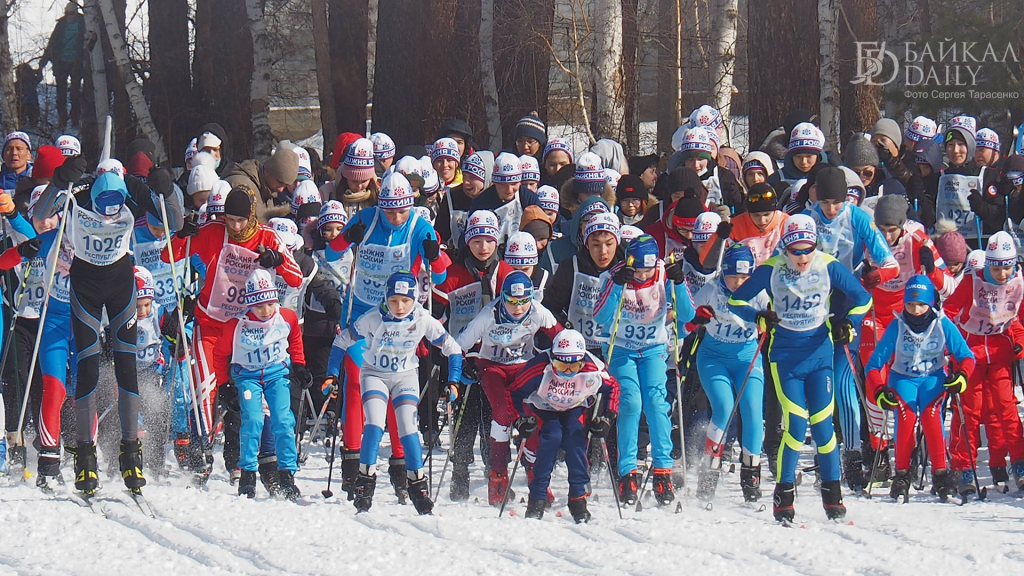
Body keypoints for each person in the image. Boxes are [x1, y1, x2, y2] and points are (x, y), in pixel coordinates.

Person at [35, 157, 182, 496]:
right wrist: (58, 181)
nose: (108, 214)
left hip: (120, 286)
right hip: (85, 288)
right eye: (102, 207)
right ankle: (85, 457)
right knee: (87, 368)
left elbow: (174, 221)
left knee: (126, 369)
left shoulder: (132, 188)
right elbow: (42, 215)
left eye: (114, 208)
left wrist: (167, 190)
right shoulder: (81, 191)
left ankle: (130, 454)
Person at [728, 214, 871, 521]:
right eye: (796, 251)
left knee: (823, 426)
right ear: (785, 247)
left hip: (820, 355)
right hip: (786, 358)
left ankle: (832, 494)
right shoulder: (772, 268)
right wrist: (758, 317)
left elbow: (863, 298)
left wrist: (849, 322)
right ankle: (784, 494)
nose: (803, 257)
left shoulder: (827, 265)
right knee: (795, 426)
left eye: (808, 249)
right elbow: (735, 301)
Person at [164, 184, 303, 484]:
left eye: (241, 220)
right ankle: (202, 450)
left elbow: (296, 277)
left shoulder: (267, 236)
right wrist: (182, 234)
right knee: (205, 389)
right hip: (211, 323)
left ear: (251, 216)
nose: (236, 227)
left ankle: (254, 459)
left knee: (247, 398)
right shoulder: (213, 231)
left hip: (247, 331)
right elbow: (168, 256)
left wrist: (277, 260)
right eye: (230, 220)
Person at [323, 172, 449, 498]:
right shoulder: (367, 218)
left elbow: (441, 275)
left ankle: (400, 463)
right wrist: (347, 237)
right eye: (389, 211)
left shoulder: (419, 225)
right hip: (362, 313)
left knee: (395, 388)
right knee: (356, 380)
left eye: (401, 211)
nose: (395, 218)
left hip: (398, 322)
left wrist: (434, 254)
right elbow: (332, 254)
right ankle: (352, 462)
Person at [329, 270, 463, 513]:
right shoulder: (373, 318)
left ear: (415, 299)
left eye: (405, 301)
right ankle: (365, 483)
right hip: (375, 375)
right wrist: (331, 373)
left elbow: (452, 348)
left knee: (408, 429)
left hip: (405, 376)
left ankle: (418, 487)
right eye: (393, 300)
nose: (399, 307)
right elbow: (341, 341)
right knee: (374, 425)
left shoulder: (422, 318)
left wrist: (453, 381)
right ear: (385, 298)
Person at [594, 235, 694, 506]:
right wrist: (617, 285)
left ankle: (662, 469)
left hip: (652, 348)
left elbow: (688, 316)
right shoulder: (614, 275)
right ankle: (628, 471)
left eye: (647, 271)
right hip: (621, 349)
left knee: (656, 402)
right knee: (630, 402)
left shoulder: (663, 273)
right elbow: (600, 316)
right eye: (638, 270)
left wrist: (679, 282)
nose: (642, 275)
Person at [456, 271, 562, 505]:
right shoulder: (489, 314)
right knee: (502, 413)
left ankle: (536, 474)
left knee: (533, 415)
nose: (518, 308)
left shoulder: (537, 311)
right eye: (512, 302)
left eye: (523, 301)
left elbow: (563, 339)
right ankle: (498, 475)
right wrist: (463, 366)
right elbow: (458, 346)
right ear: (502, 298)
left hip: (523, 367)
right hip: (492, 367)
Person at [865, 275, 975, 501]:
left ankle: (941, 474)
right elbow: (873, 365)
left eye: (921, 304)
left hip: (932, 377)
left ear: (931, 303)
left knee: (931, 415)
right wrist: (879, 390)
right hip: (902, 378)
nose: (915, 310)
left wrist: (962, 376)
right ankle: (902, 475)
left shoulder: (942, 323)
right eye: (910, 304)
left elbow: (967, 356)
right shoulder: (897, 325)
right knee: (905, 417)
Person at [213, 269, 309, 500]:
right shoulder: (236, 325)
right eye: (259, 307)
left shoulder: (286, 317)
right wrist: (224, 385)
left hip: (277, 375)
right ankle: (247, 473)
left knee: (283, 420)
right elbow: (219, 354)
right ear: (249, 305)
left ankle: (286, 473)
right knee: (254, 420)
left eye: (270, 304)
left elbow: (295, 337)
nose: (266, 311)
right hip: (248, 377)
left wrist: (299, 365)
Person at [942, 231, 1024, 497]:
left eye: (1007, 268)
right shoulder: (972, 281)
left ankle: (1019, 462)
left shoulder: (1018, 281)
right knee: (970, 410)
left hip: (1000, 354)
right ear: (988, 264)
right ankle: (963, 466)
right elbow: (948, 313)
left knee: (1007, 409)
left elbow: (1019, 319)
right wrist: (950, 346)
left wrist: (1019, 342)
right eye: (996, 268)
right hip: (971, 354)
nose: (1002, 274)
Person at [508, 328, 620, 522]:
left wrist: (608, 417)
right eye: (561, 365)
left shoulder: (592, 369)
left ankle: (578, 499)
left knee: (575, 441)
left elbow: (613, 387)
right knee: (552, 439)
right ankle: (537, 498)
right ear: (552, 359)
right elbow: (514, 392)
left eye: (574, 366)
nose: (567, 371)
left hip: (575, 406)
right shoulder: (539, 367)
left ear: (582, 361)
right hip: (544, 407)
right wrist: (520, 420)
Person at [689, 244, 768, 502]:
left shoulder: (759, 293)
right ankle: (710, 471)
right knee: (723, 408)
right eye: (733, 276)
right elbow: (686, 319)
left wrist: (770, 321)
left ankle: (751, 473)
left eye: (744, 277)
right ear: (724, 272)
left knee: (753, 411)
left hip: (747, 357)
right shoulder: (710, 290)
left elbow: (775, 316)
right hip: (714, 357)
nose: (738, 283)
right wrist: (696, 318)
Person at [543, 212, 623, 355]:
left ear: (617, 243)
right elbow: (550, 306)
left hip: (616, 349)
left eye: (609, 244)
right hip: (578, 348)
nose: (603, 252)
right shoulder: (570, 267)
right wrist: (564, 331)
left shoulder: (626, 269)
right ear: (587, 245)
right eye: (596, 245)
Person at [225, 145, 299, 222]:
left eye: (285, 185)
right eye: (279, 182)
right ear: (267, 171)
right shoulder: (241, 185)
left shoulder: (267, 188)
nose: (281, 189)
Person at [41, 2, 84, 127]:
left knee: (75, 92)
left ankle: (75, 119)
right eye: (67, 13)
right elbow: (52, 43)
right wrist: (43, 62)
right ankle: (62, 119)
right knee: (61, 93)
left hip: (77, 63)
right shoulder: (61, 25)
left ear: (76, 13)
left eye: (71, 13)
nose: (69, 16)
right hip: (61, 63)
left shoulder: (84, 23)